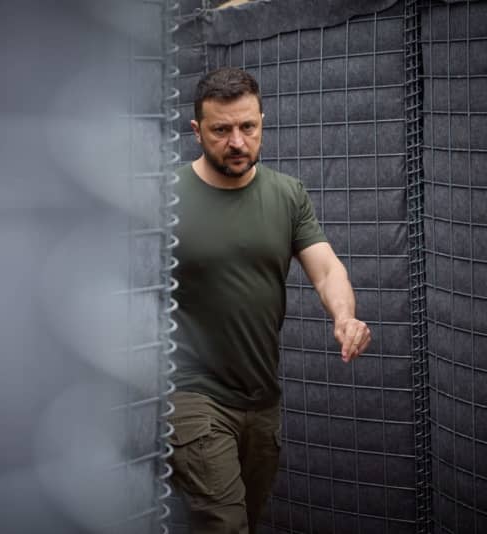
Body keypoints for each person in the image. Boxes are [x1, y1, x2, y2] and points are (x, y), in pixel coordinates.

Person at [168, 67, 372, 534]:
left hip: (261, 400)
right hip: (191, 395)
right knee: (225, 523)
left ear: (262, 120)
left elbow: (326, 269)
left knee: (248, 520)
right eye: (221, 130)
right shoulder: (165, 199)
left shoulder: (287, 195)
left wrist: (345, 317)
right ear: (197, 130)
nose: (237, 141)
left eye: (248, 127)